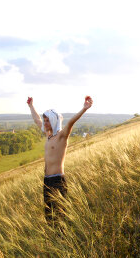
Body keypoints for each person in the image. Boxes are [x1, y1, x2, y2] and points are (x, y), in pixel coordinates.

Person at [27, 95, 93, 227]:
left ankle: (64, 240)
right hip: (47, 181)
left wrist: (84, 108)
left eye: (47, 121)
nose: (44, 123)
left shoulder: (62, 136)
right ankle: (54, 240)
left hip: (58, 180)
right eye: (45, 120)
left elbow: (70, 122)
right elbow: (36, 120)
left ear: (54, 121)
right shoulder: (48, 135)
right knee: (49, 216)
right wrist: (31, 106)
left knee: (60, 215)